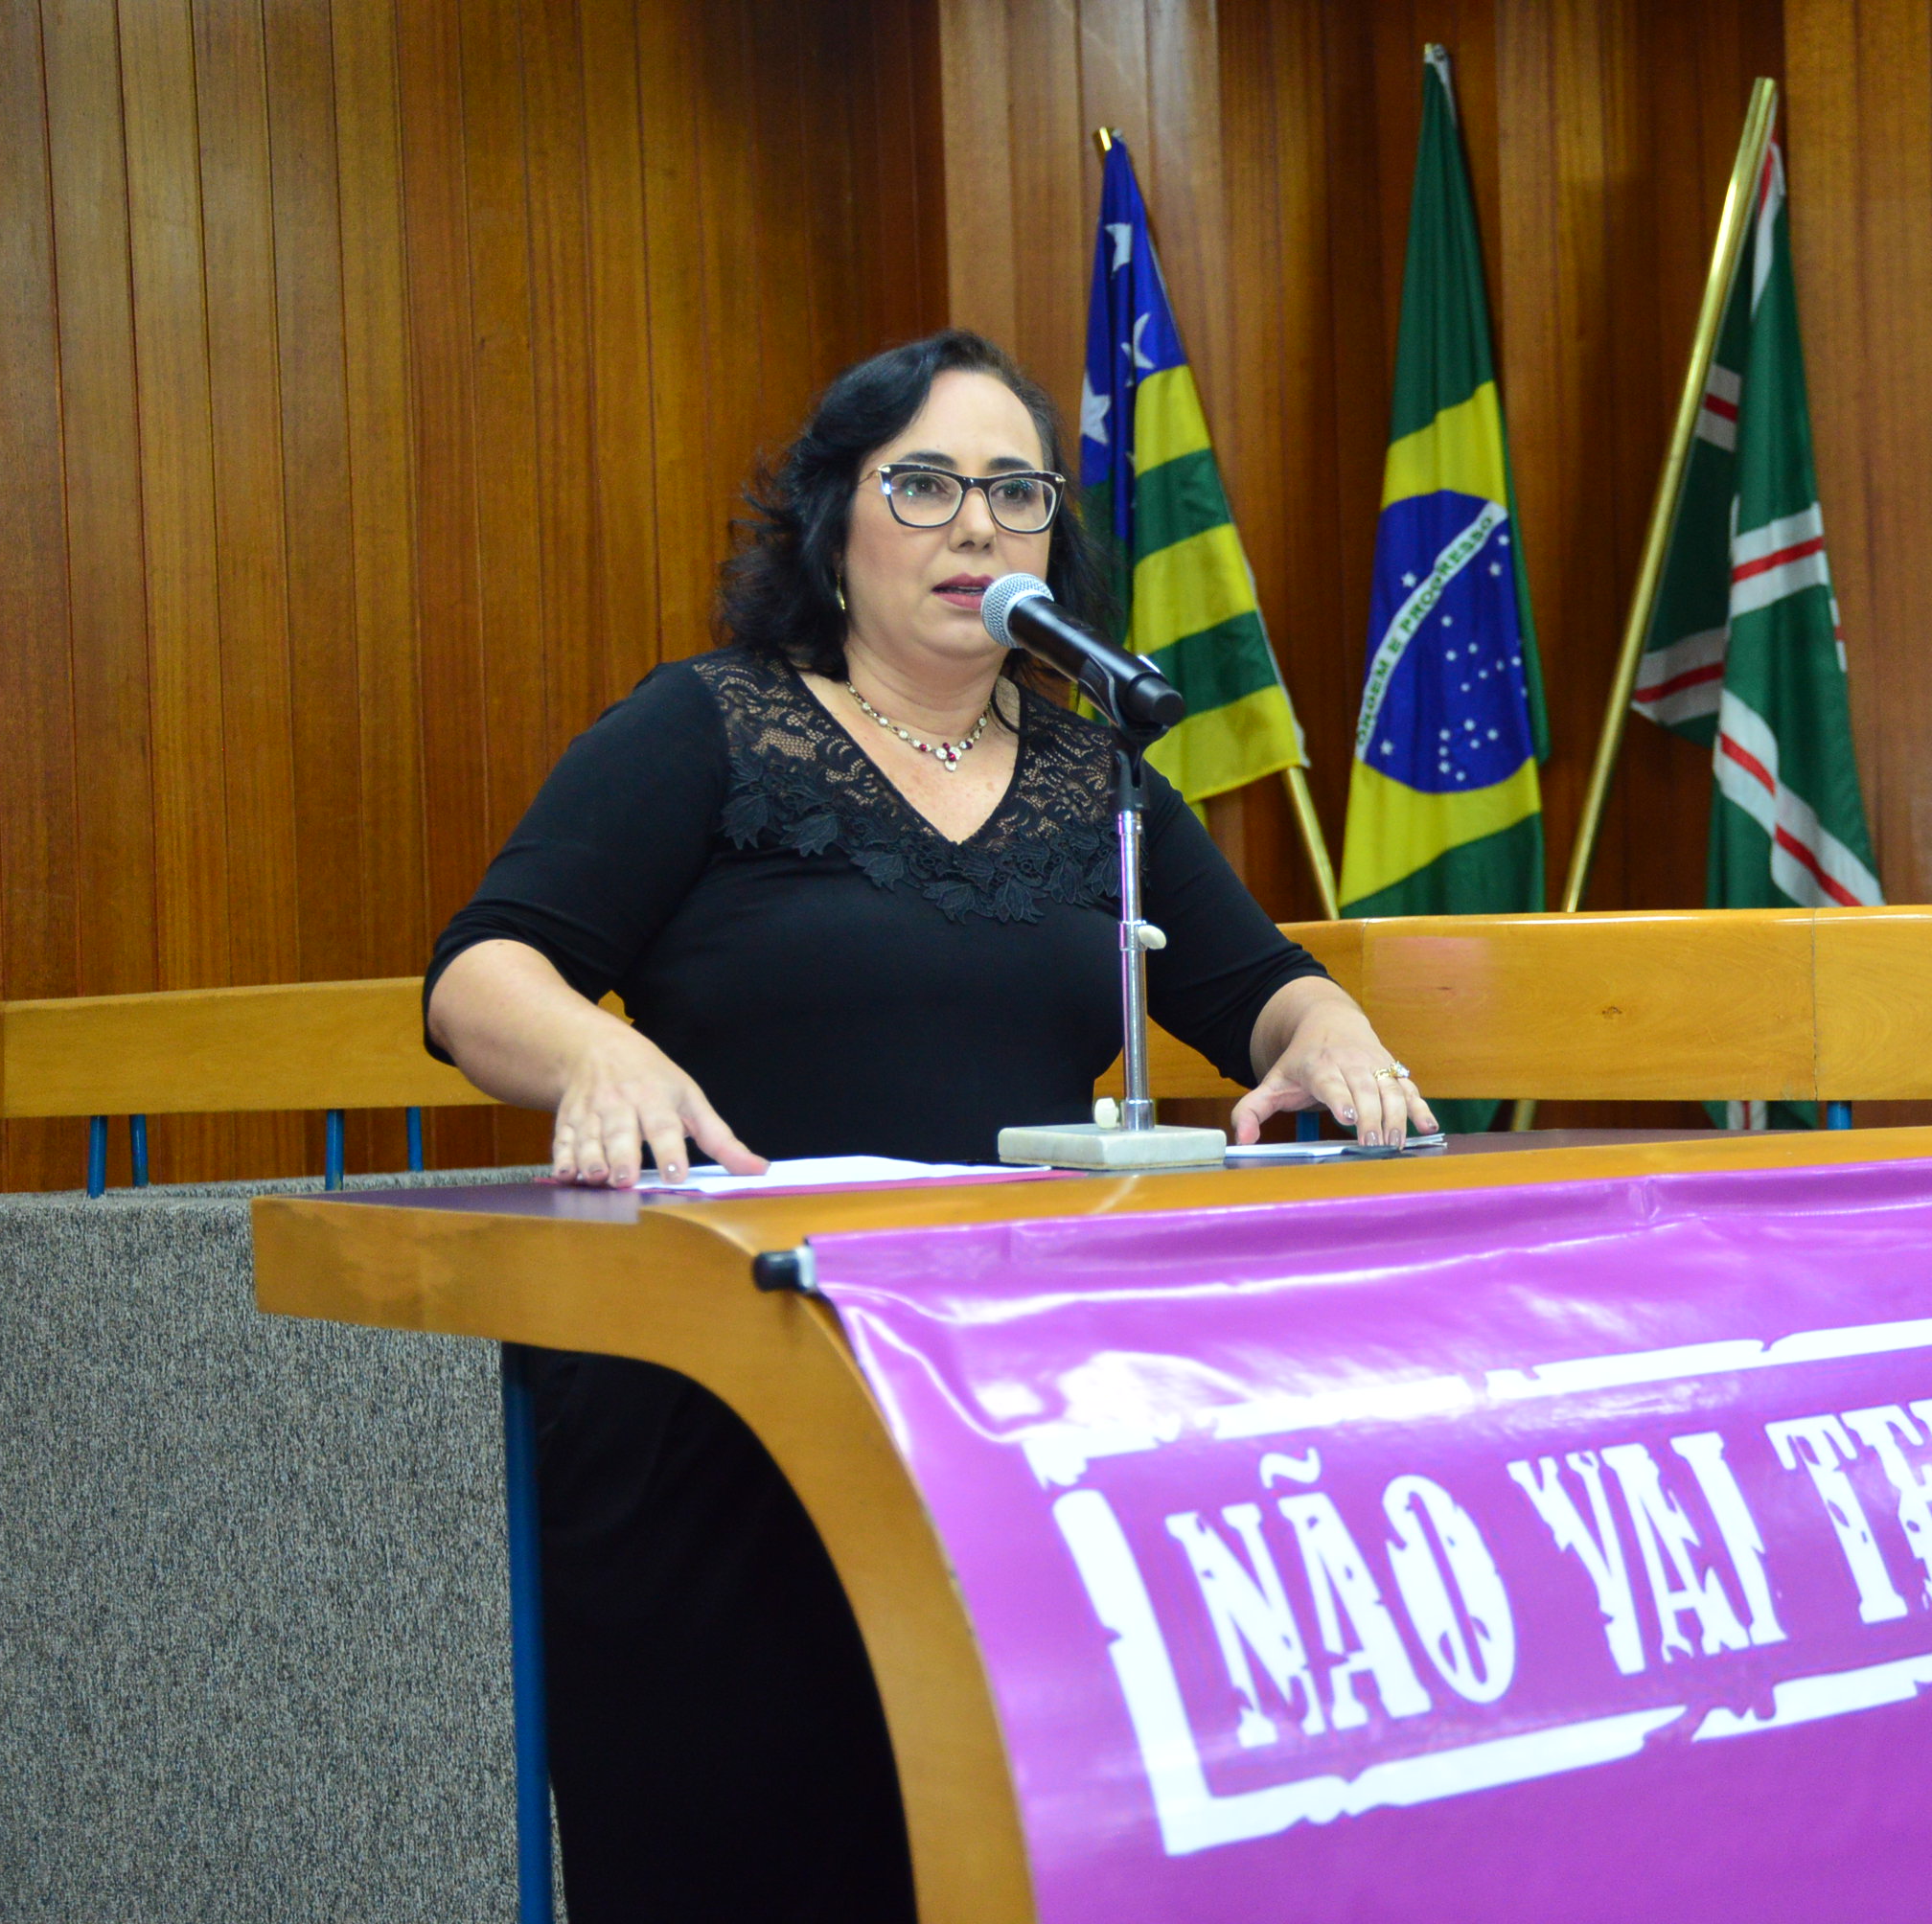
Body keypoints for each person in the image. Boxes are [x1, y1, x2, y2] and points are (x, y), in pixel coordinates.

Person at [423, 330, 1435, 1921]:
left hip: (1002, 1421)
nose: (976, 524)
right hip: (726, 1410)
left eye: (1015, 491)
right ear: (832, 525)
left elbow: (1265, 991)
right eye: (924, 485)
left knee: (976, 1856)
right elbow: (482, 970)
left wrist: (1338, 1039)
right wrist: (594, 1056)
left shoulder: (1097, 780)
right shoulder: (710, 726)